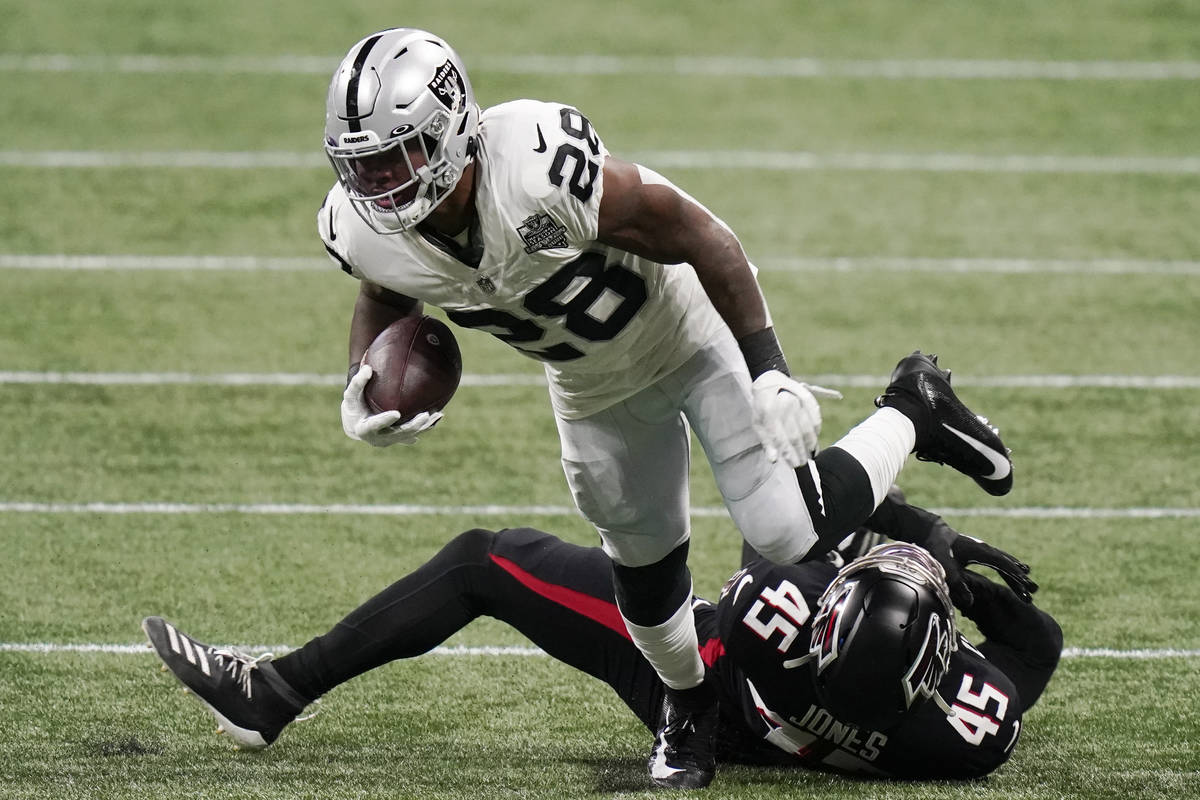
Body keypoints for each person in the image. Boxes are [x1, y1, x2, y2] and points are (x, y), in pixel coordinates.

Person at [318, 27, 1015, 788]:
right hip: (589, 384)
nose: (380, 181)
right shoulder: (359, 226)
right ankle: (689, 710)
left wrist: (769, 372)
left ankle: (913, 407)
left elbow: (700, 234)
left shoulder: (538, 169)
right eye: (362, 163)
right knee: (644, 578)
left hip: (684, 332)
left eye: (397, 154)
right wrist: (364, 377)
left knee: (783, 528)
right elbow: (383, 288)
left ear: (452, 130)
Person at [142, 492, 1061, 786]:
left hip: (694, 688)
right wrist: (972, 599)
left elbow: (788, 517)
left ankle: (273, 693)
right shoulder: (969, 736)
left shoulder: (779, 612)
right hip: (780, 739)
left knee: (482, 563)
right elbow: (1035, 655)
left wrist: (932, 537)